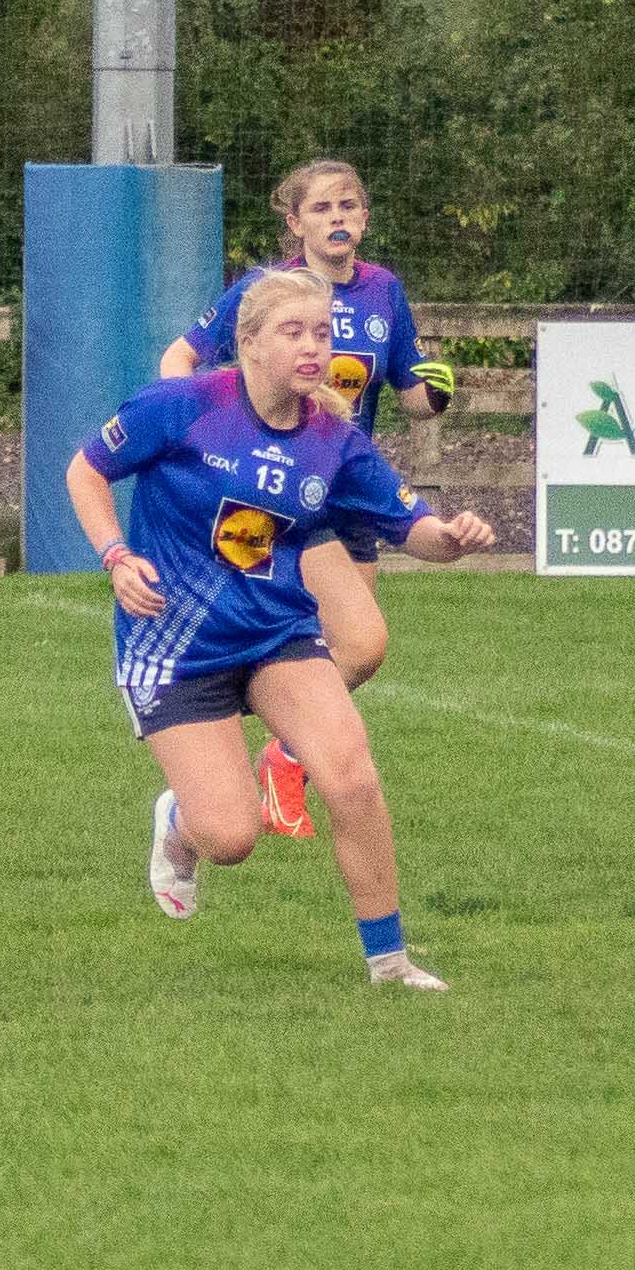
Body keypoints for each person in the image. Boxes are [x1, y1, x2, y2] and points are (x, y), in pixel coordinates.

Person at [72, 267, 500, 988]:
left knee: (351, 775)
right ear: (248, 343)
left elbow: (412, 525)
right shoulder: (180, 405)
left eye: (322, 334)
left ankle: (390, 963)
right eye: (293, 332)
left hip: (277, 633)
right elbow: (85, 470)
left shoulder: (333, 439)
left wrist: (451, 538)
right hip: (175, 647)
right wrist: (117, 556)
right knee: (231, 837)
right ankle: (180, 825)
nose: (313, 348)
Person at [159, 160, 457, 837]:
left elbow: (411, 395)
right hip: (273, 493)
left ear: (366, 218)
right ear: (295, 223)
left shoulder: (384, 292)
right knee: (288, 641)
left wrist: (433, 391)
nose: (337, 218)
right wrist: (197, 432)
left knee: (360, 648)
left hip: (344, 491)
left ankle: (283, 753)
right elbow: (180, 358)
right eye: (322, 208)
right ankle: (222, 770)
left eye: (349, 205)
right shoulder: (268, 292)